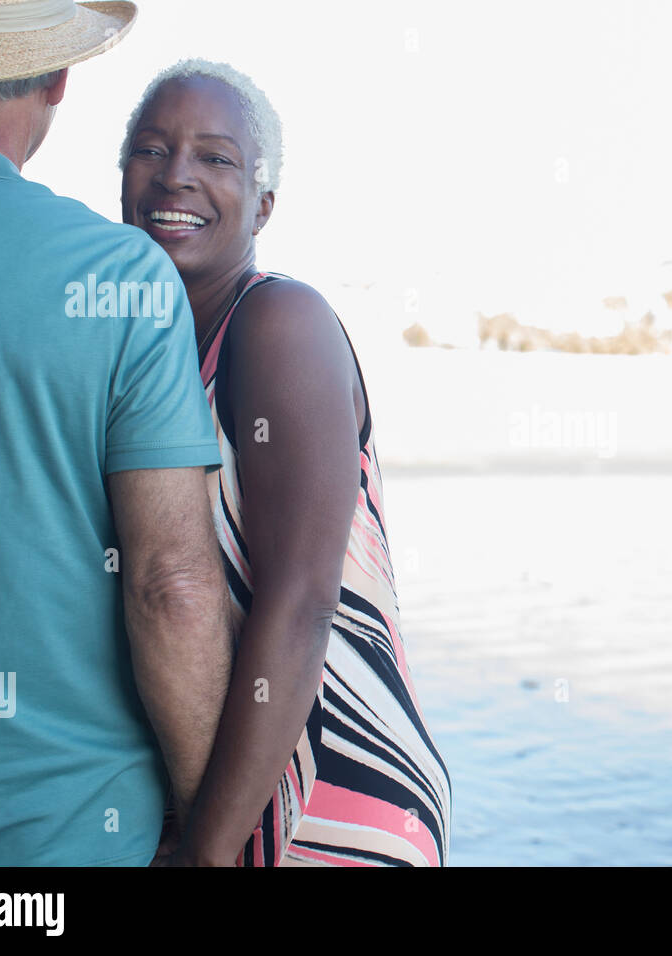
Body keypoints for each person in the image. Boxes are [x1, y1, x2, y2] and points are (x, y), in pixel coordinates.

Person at [0, 1, 233, 865]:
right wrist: (211, 835)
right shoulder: (119, 277)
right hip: (58, 845)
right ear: (58, 78)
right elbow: (171, 587)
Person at [120, 59, 452, 866]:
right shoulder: (145, 347)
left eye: (216, 157)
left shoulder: (278, 322)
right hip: (226, 789)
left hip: (330, 789)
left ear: (264, 203)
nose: (177, 176)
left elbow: (302, 605)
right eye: (152, 150)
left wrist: (208, 854)